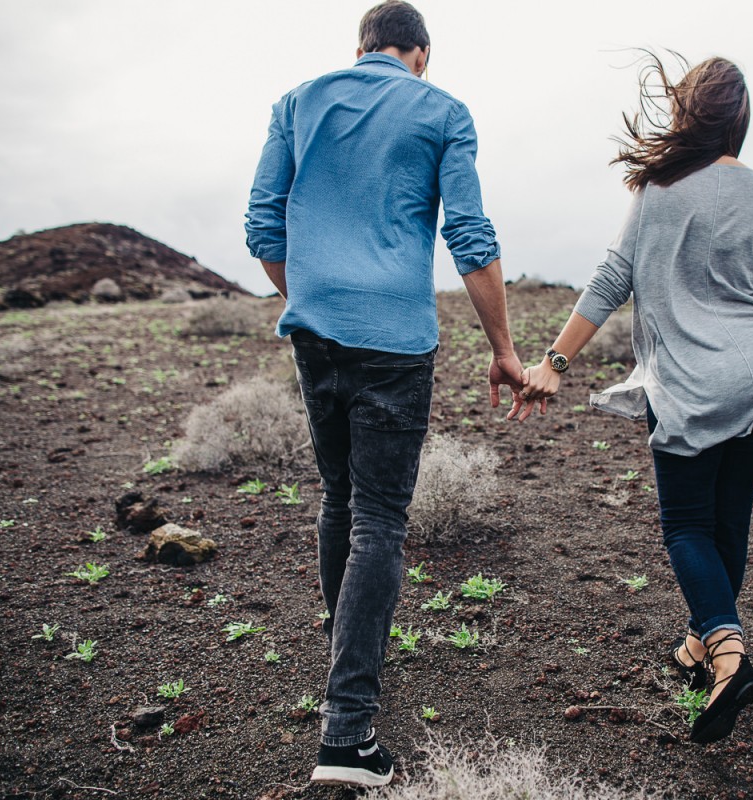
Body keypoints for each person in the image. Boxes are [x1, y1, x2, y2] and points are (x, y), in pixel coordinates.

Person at [512, 54, 753, 745]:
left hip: (690, 383)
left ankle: (728, 656)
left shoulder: (659, 189)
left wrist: (554, 361)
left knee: (688, 527)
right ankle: (697, 648)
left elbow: (610, 279)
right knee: (728, 524)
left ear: (689, 114)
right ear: (740, 122)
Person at [244, 1, 523, 787]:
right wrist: (502, 350)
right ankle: (348, 731)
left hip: (314, 329)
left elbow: (264, 226)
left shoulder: (297, 103)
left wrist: (315, 295)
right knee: (379, 519)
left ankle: (348, 654)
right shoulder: (442, 111)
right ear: (420, 54)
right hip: (396, 339)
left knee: (340, 499)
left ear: (360, 48)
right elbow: (469, 237)